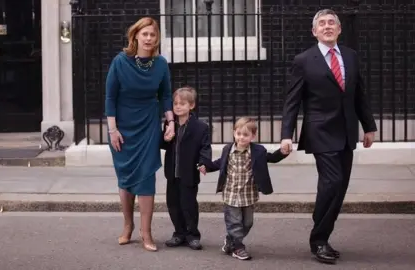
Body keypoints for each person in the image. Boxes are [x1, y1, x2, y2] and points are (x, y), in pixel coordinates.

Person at [279, 9, 377, 264]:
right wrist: (286, 135)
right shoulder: (304, 60)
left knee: (340, 187)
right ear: (314, 32)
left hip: (346, 131)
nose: (327, 26)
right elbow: (292, 101)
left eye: (331, 22)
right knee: (331, 183)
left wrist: (369, 126)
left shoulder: (351, 56)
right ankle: (318, 239)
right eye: (321, 24)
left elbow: (359, 95)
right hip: (320, 131)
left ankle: (323, 236)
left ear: (339, 29)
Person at [105, 17, 175, 252]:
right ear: (135, 36)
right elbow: (110, 97)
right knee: (125, 178)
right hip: (122, 128)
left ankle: (147, 233)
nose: (148, 38)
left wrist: (171, 122)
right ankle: (127, 227)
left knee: (146, 177)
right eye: (144, 34)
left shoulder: (161, 64)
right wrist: (112, 130)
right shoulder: (120, 62)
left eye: (152, 35)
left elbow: (166, 95)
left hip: (148, 125)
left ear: (156, 39)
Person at [200, 117, 288, 260]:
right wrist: (206, 166)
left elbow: (271, 158)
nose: (241, 137)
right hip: (231, 193)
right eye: (239, 133)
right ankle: (238, 247)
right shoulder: (227, 149)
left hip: (248, 194)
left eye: (245, 135)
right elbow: (219, 163)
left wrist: (283, 152)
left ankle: (231, 241)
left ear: (253, 136)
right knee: (234, 222)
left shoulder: (258, 151)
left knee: (247, 223)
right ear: (234, 133)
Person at [160, 86, 212, 250]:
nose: (178, 106)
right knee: (173, 204)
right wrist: (166, 139)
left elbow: (205, 147)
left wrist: (204, 162)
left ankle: (192, 235)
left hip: (188, 173)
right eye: (175, 103)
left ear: (191, 105)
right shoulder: (170, 124)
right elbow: (163, 144)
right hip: (172, 173)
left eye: (182, 103)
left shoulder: (201, 127)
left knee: (188, 205)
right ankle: (179, 233)